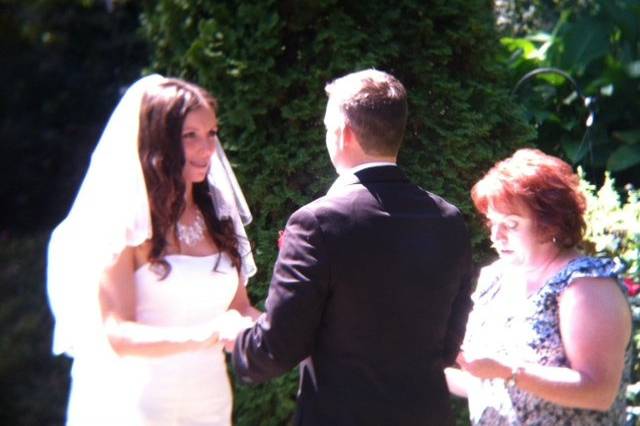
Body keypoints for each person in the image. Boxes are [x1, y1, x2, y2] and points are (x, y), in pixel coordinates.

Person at [230, 69, 474, 425]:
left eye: (327, 128)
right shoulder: (449, 220)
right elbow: (450, 340)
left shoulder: (317, 222)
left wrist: (238, 342)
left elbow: (277, 347)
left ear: (343, 135)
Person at [47, 75, 259, 425]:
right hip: (139, 402)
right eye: (190, 136)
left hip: (211, 399)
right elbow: (117, 332)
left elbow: (239, 307)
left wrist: (279, 330)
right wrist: (207, 334)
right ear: (159, 140)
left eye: (211, 134)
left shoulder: (218, 215)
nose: (207, 149)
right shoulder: (121, 223)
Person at [445, 148, 632, 425]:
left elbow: (599, 392)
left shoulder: (584, 284)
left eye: (511, 224)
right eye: (493, 223)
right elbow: (488, 385)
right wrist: (425, 368)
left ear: (550, 225)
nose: (496, 235)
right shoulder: (495, 278)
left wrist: (508, 370)